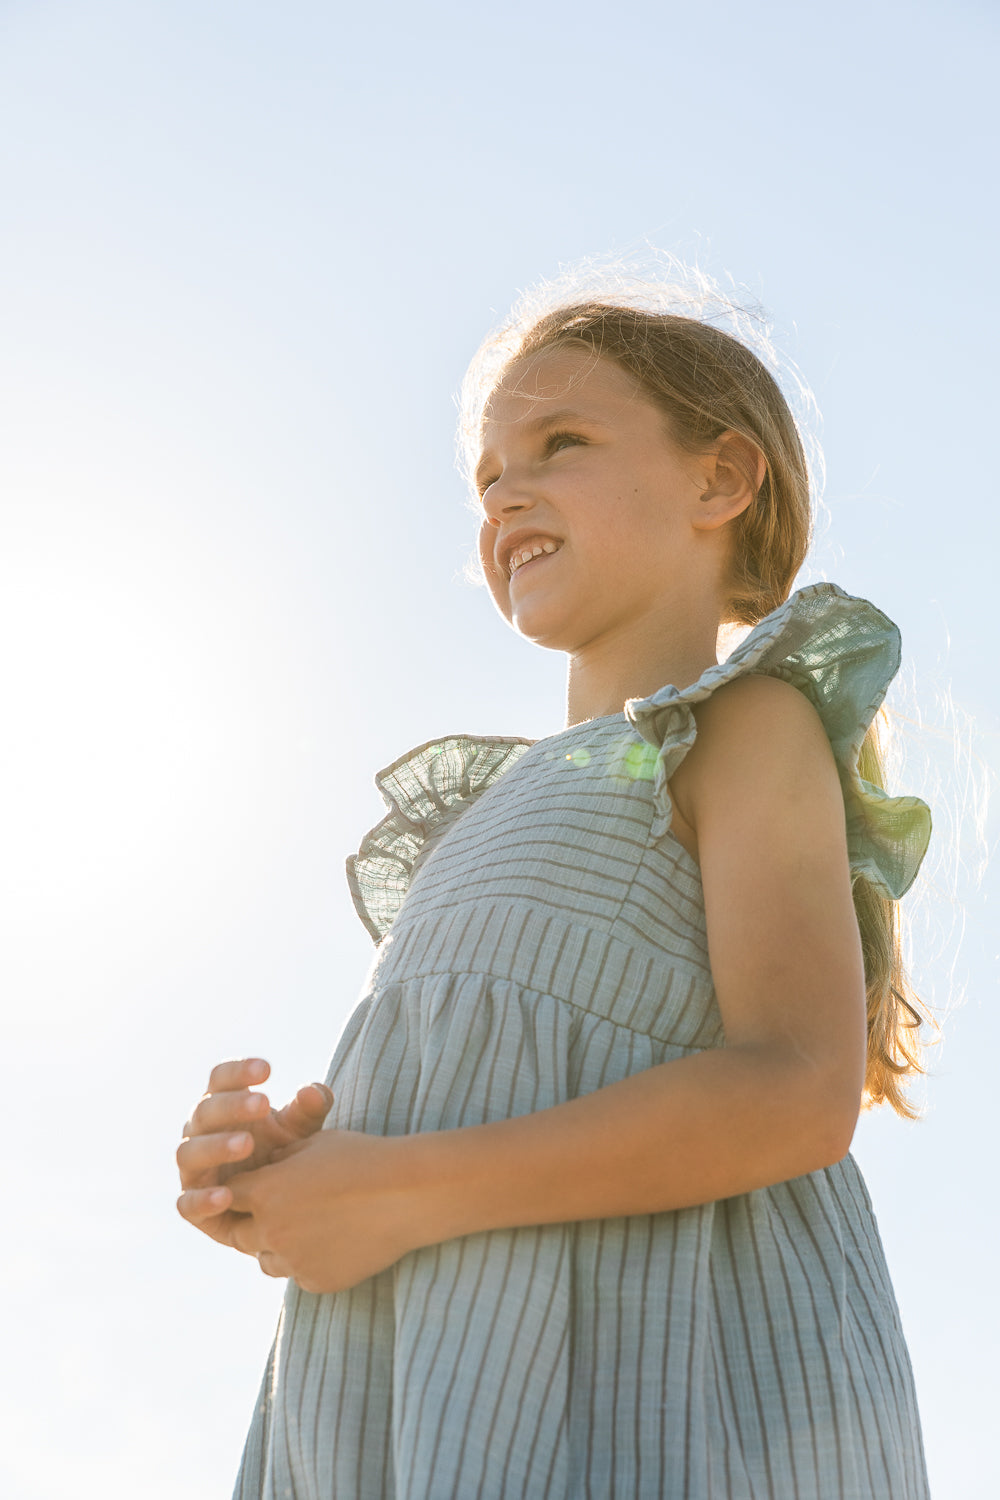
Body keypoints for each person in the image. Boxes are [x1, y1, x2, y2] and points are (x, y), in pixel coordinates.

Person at [176, 277, 935, 1499]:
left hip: (646, 1389)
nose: (504, 496)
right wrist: (299, 1168)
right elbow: (468, 1086)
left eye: (560, 446)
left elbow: (797, 1094)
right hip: (428, 1385)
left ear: (717, 480)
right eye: (485, 478)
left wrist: (393, 1189)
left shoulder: (743, 723)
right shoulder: (479, 811)